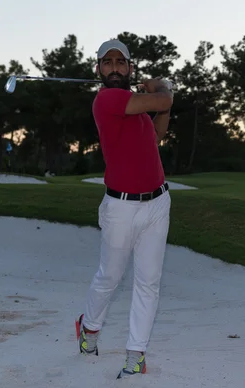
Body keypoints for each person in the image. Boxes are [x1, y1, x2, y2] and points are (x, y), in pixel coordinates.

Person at [75, 38, 174, 379]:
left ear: (130, 68)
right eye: (108, 62)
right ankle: (89, 328)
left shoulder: (134, 106)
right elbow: (162, 97)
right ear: (99, 70)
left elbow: (158, 132)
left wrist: (163, 106)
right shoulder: (107, 99)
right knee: (110, 277)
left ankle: (136, 354)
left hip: (158, 202)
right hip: (121, 206)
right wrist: (163, 88)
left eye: (121, 62)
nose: (114, 68)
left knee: (149, 282)